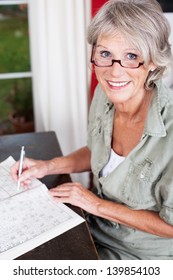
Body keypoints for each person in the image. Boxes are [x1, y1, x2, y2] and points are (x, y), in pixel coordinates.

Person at [11, 0, 173, 260]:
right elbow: (97, 151)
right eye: (105, 54)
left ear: (154, 61)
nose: (113, 71)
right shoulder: (105, 93)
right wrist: (48, 166)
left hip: (143, 256)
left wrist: (95, 204)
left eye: (131, 56)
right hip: (95, 229)